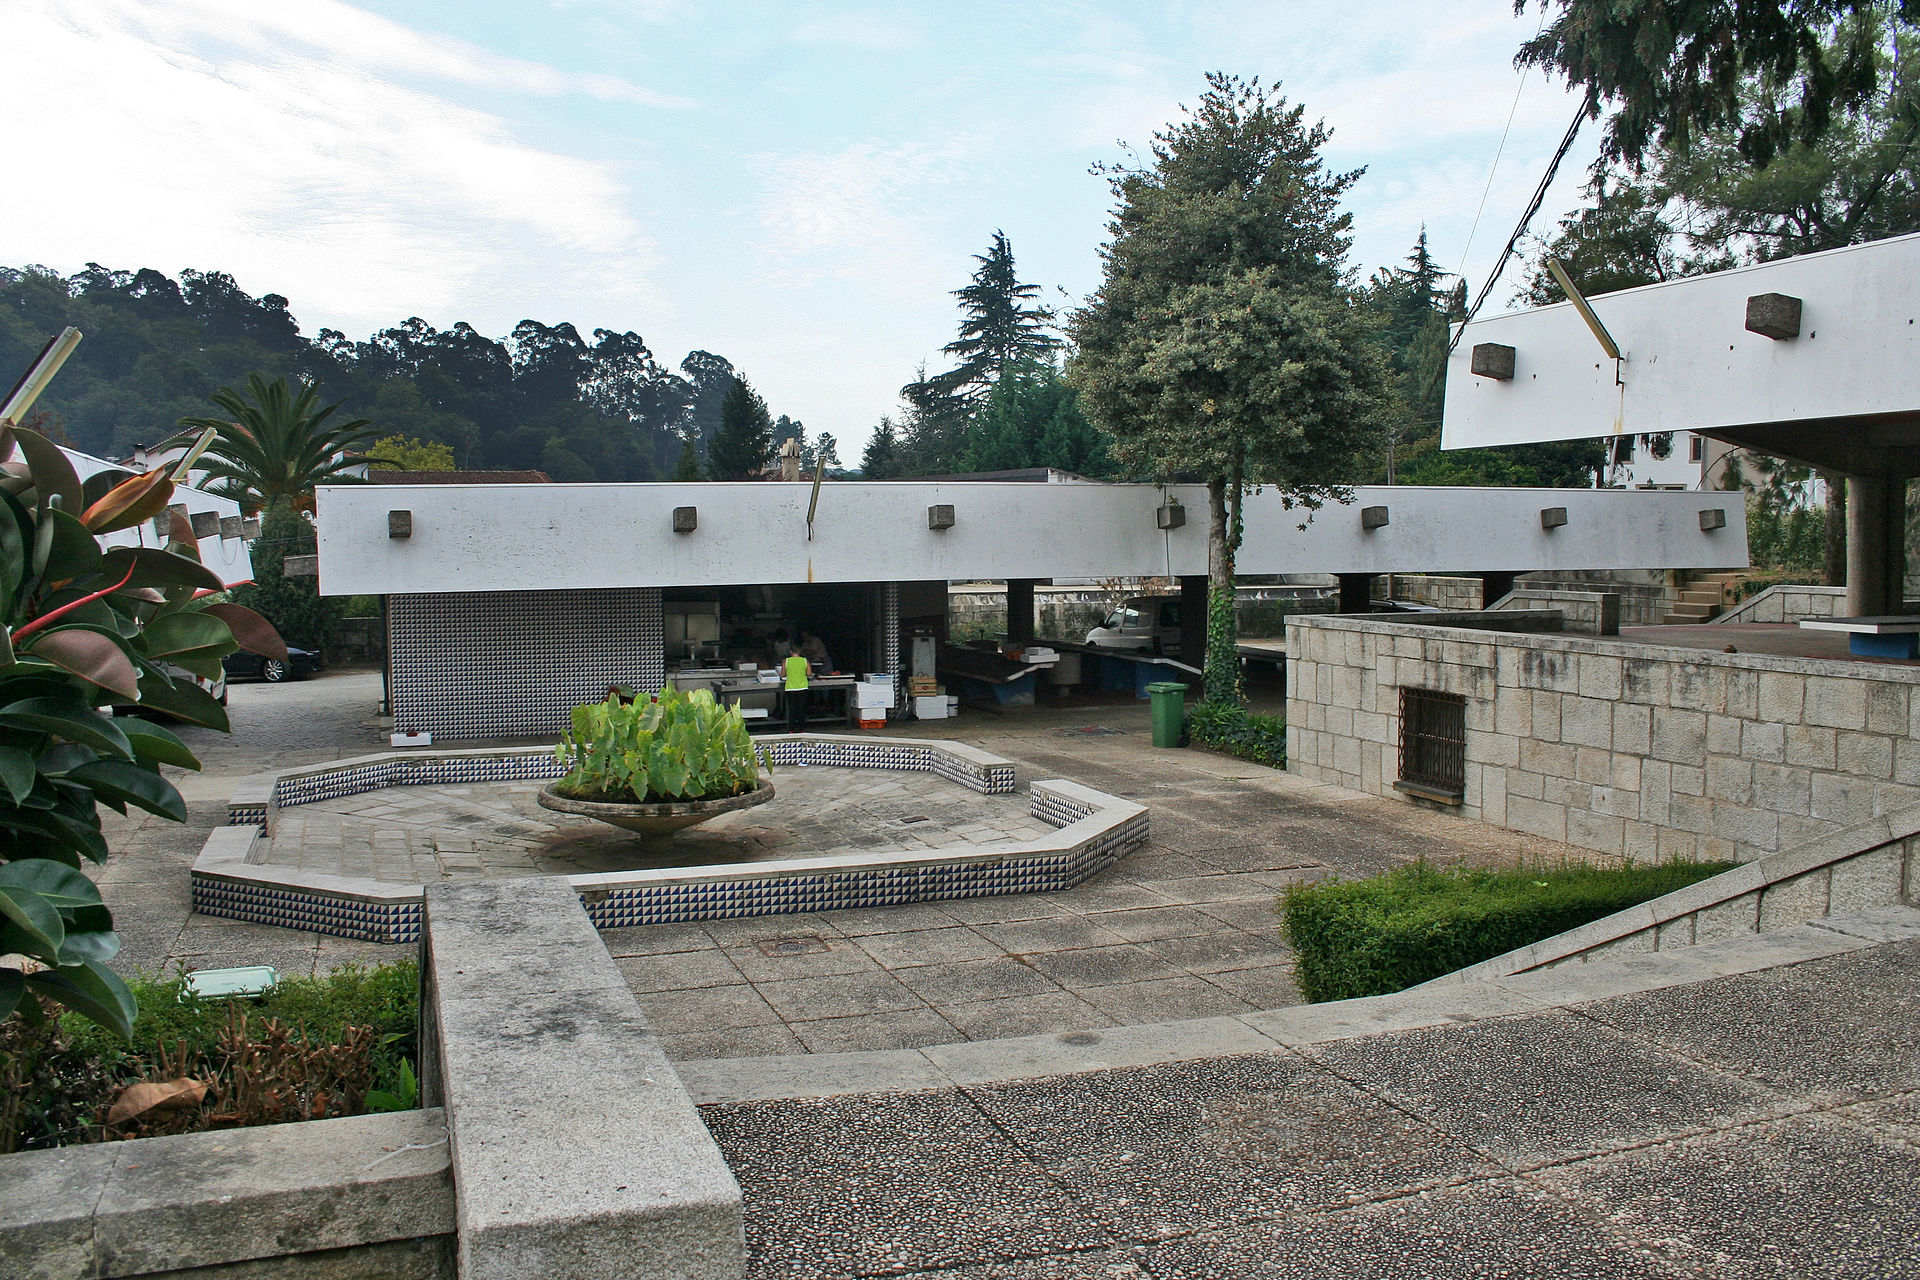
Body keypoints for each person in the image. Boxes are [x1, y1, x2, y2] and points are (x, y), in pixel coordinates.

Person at [782, 645, 810, 730]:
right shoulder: (805, 660)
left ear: (791, 652)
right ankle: (802, 729)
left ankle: (791, 729)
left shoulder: (786, 661)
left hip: (790, 688)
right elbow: (809, 674)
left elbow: (783, 674)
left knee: (792, 710)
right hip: (803, 687)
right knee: (801, 709)